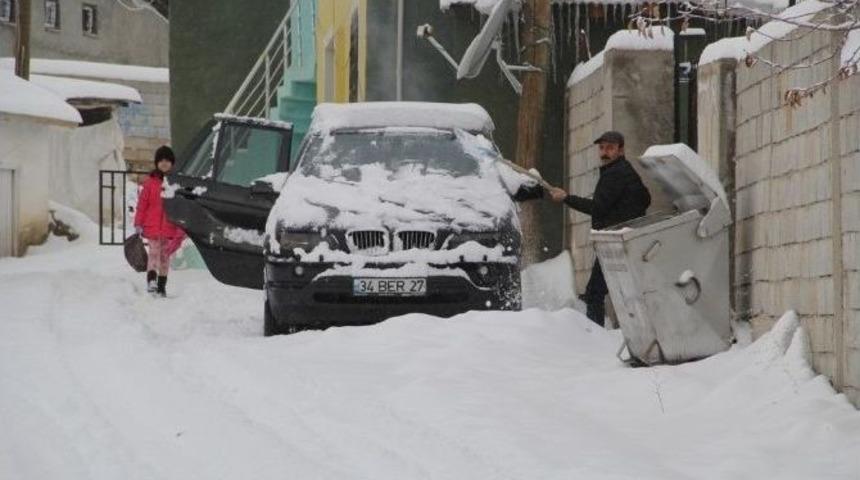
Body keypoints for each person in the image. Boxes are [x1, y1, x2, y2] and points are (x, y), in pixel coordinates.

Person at [547, 131, 651, 326]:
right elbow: (645, 198)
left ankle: (595, 338)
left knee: (595, 293)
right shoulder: (622, 171)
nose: (604, 152)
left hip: (615, 242)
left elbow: (597, 207)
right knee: (619, 291)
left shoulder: (616, 173)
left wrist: (566, 198)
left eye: (610, 148)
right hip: (619, 240)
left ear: (621, 150)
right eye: (602, 148)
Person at [133, 146, 185, 297]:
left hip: (169, 228)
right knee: (154, 253)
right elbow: (142, 205)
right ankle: (151, 281)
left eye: (167, 160)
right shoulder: (150, 184)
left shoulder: (175, 184)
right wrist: (138, 223)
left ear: (172, 163)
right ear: (156, 163)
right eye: (161, 160)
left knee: (165, 257)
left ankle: (161, 287)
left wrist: (180, 228)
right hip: (152, 227)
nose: (164, 163)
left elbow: (180, 206)